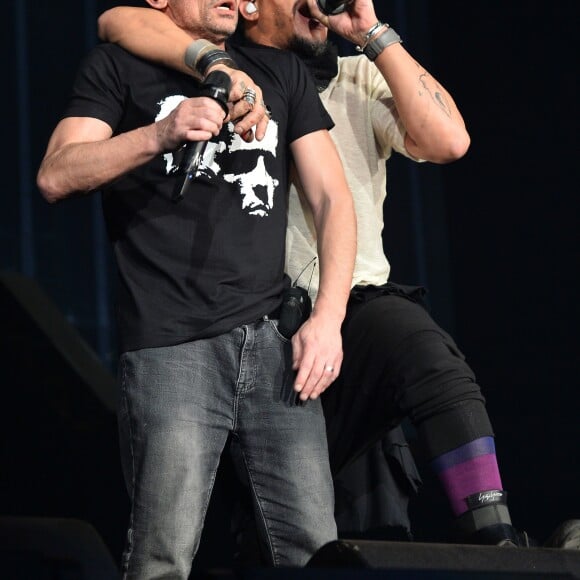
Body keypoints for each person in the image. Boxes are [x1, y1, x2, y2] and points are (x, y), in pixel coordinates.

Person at [98, 0, 580, 552]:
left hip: (351, 315)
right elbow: (117, 20)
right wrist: (216, 65)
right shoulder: (222, 72)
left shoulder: (358, 75)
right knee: (322, 545)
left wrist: (372, 32)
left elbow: (450, 141)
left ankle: (497, 540)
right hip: (262, 336)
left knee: (426, 357)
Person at [37, 0, 359, 577]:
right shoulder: (117, 67)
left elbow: (333, 199)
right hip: (170, 347)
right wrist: (161, 132)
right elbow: (56, 174)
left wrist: (329, 317)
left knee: (314, 551)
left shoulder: (276, 72)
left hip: (276, 347)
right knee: (163, 556)